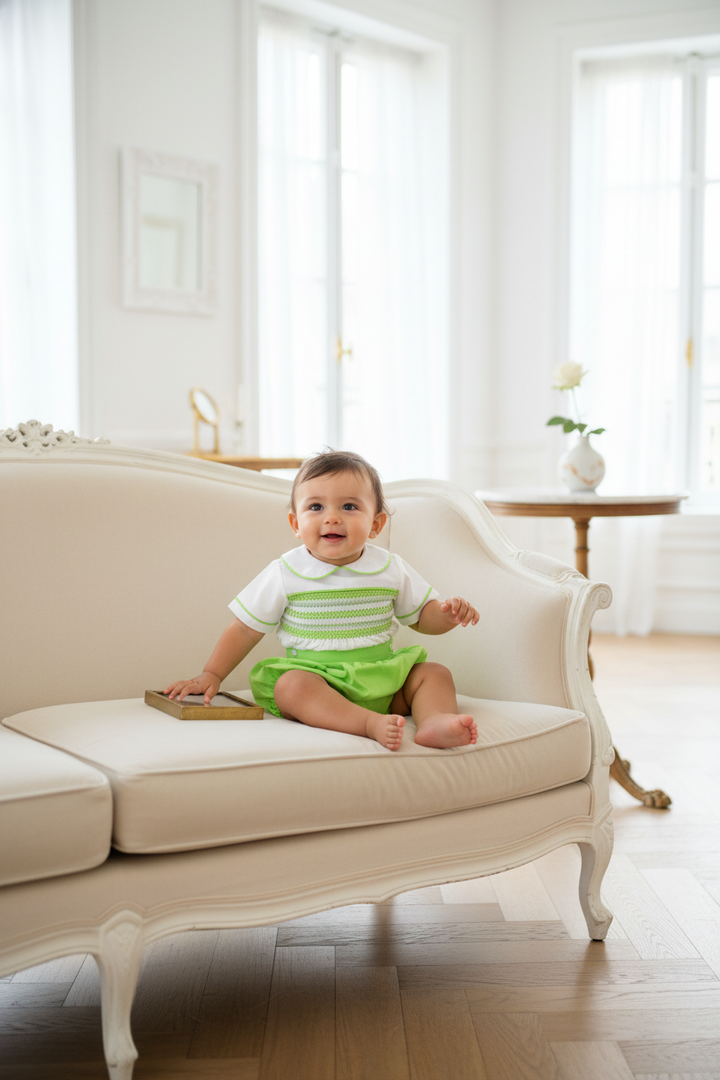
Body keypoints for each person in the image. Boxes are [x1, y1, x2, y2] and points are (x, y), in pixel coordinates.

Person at [165, 450, 479, 751]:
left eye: (349, 507)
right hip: (320, 686)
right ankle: (367, 723)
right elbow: (245, 629)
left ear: (376, 525)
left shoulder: (390, 568)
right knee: (292, 687)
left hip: (383, 681)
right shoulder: (286, 572)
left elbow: (423, 617)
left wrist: (447, 615)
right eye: (316, 507)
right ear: (296, 524)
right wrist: (212, 675)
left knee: (434, 674)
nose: (331, 518)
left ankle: (435, 721)